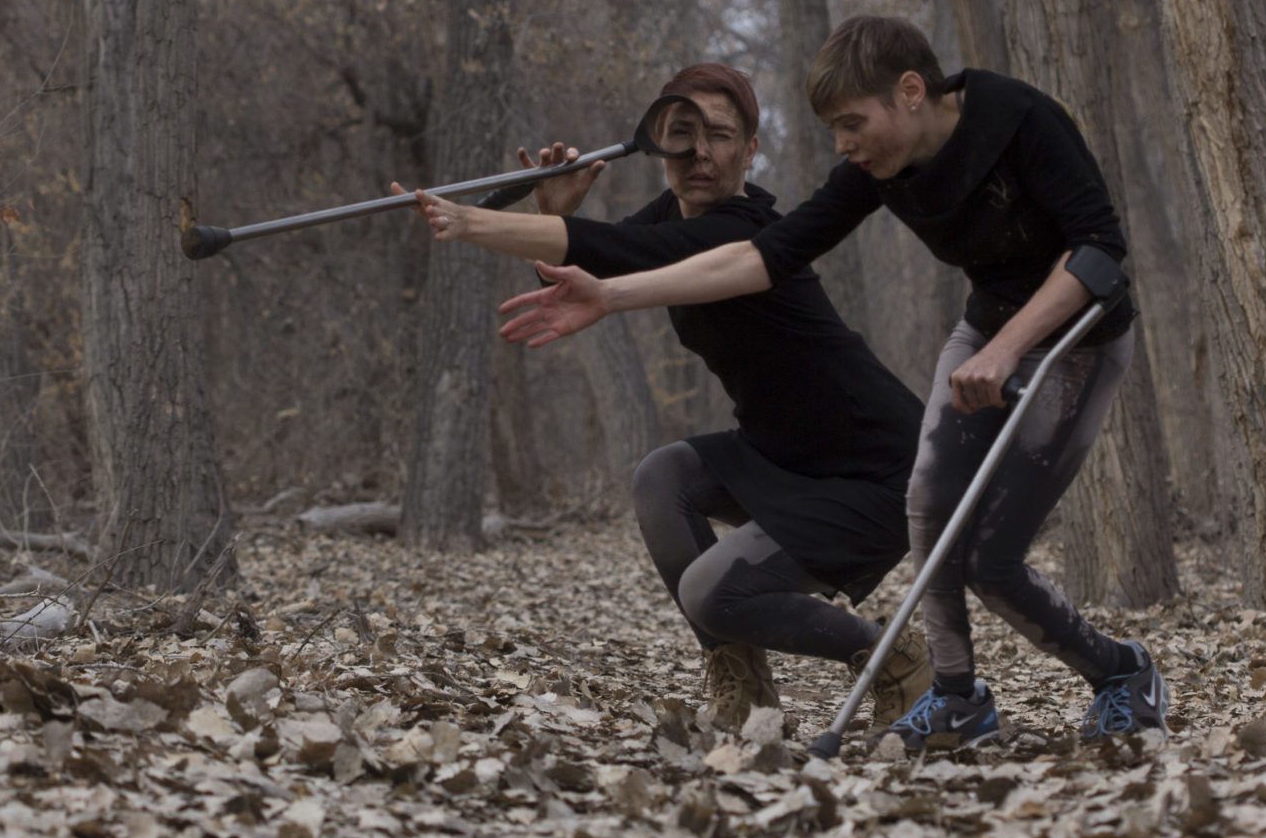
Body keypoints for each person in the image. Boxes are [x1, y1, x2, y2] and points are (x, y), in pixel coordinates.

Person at [499, 18, 1170, 748]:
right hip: (985, 332)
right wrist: (588, 265)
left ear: (910, 93)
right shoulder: (872, 170)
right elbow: (769, 253)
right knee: (929, 513)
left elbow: (1101, 250)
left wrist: (1009, 350)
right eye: (833, 129)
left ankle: (1121, 671)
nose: (843, 145)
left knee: (988, 559)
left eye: (852, 124)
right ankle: (955, 696)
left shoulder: (1021, 119)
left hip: (1078, 340)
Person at [391, 63, 931, 733]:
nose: (702, 153)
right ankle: (744, 683)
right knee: (662, 476)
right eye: (685, 134)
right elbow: (601, 258)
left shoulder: (742, 231)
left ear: (751, 149)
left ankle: (892, 652)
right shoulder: (675, 216)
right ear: (660, 142)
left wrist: (467, 221)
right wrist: (556, 212)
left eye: (723, 135)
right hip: (784, 456)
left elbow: (620, 248)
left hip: (874, 471)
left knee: (712, 591)